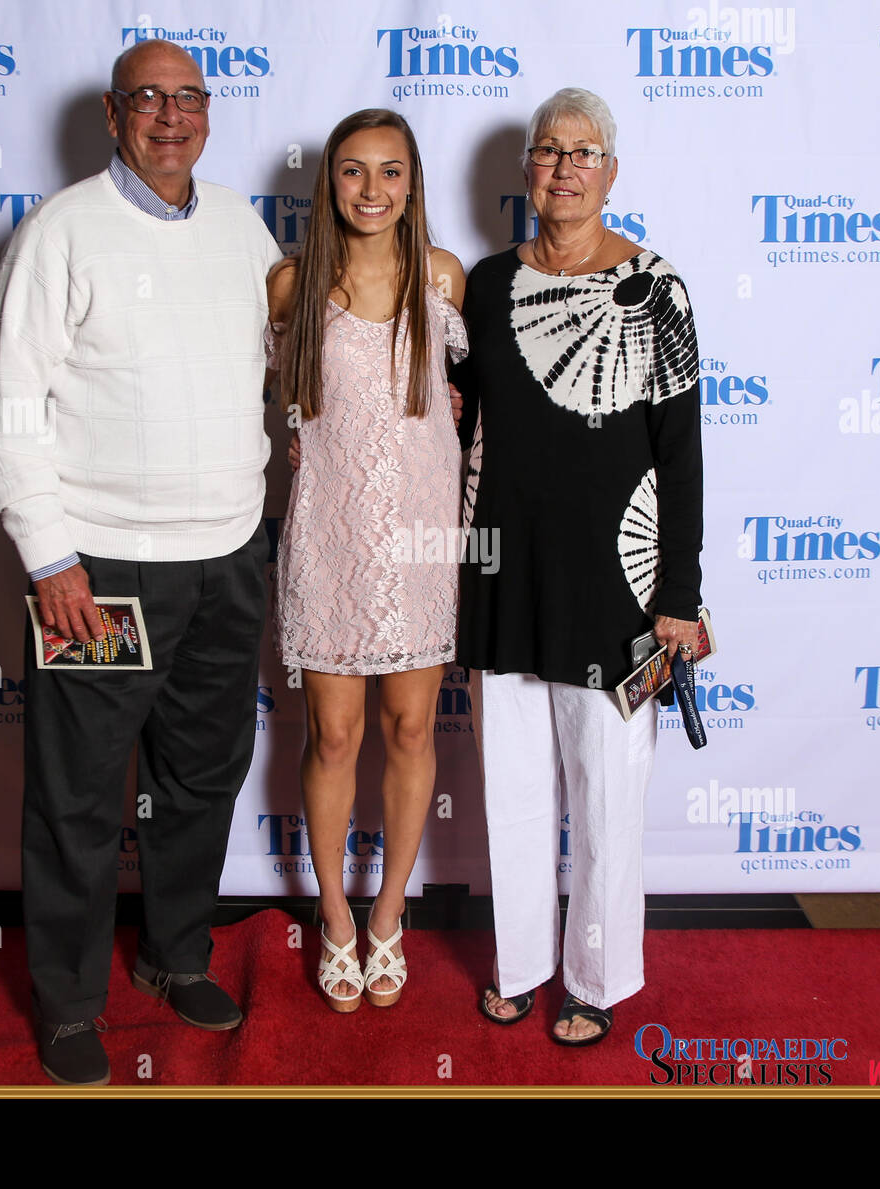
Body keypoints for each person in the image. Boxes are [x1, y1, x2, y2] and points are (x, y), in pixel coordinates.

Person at [0, 38, 281, 1085]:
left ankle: (174, 954)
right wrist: (49, 557)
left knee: (200, 777)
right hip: (99, 568)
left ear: (208, 111)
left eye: (188, 97)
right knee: (76, 793)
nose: (170, 116)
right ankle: (66, 1002)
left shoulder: (243, 227)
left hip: (229, 556)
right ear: (113, 115)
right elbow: (6, 408)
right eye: (147, 98)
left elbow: (288, 370)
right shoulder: (63, 230)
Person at [454, 87, 704, 1046]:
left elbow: (679, 451)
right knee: (511, 788)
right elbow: (455, 413)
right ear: (526, 169)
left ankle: (595, 976)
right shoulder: (483, 283)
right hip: (502, 570)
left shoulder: (658, 288)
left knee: (606, 794)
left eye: (584, 152)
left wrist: (676, 596)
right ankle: (519, 965)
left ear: (611, 171)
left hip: (618, 585)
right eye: (548, 150)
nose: (564, 166)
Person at [267, 109, 466, 1011]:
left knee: (411, 732)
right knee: (334, 735)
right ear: (329, 182)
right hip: (329, 543)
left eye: (391, 172)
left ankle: (390, 914)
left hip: (420, 548)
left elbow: (460, 409)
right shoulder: (293, 284)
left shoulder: (443, 279)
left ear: (414, 182)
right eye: (353, 172)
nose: (373, 190)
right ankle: (336, 917)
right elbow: (280, 411)